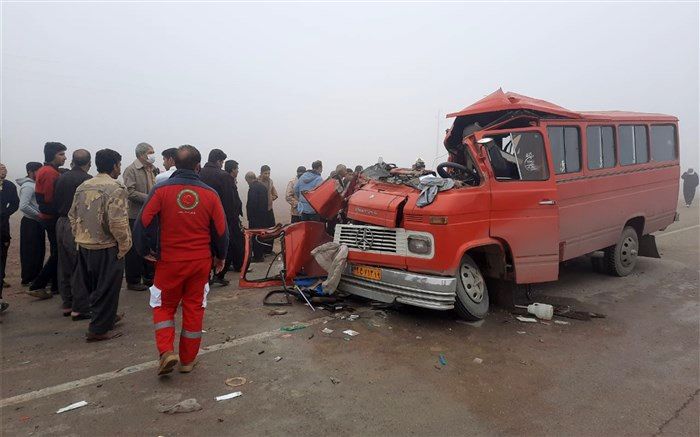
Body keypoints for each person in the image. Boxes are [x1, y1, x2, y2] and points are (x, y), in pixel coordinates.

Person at [133, 145, 228, 376]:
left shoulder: (160, 190)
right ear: (198, 166)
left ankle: (166, 351)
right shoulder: (210, 194)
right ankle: (187, 361)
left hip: (169, 262)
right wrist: (220, 257)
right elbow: (222, 231)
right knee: (194, 308)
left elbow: (142, 223)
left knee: (164, 306)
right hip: (199, 262)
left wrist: (143, 250)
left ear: (174, 163)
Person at [69, 149, 132, 342]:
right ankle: (98, 329)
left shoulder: (84, 186)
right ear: (114, 165)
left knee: (94, 285)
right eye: (119, 165)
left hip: (85, 244)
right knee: (107, 287)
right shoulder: (115, 188)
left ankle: (107, 318)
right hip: (106, 246)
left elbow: (73, 215)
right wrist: (124, 245)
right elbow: (117, 222)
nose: (120, 170)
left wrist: (79, 236)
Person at [54, 150, 92, 319]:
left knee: (64, 265)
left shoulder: (62, 177)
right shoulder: (87, 180)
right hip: (76, 224)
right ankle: (81, 307)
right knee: (79, 266)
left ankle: (67, 304)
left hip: (61, 223)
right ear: (89, 163)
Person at [28, 142, 68, 299]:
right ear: (52, 155)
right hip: (52, 218)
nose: (64, 157)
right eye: (61, 154)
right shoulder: (50, 173)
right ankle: (38, 285)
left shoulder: (47, 171)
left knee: (56, 252)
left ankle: (55, 286)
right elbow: (51, 200)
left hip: (49, 216)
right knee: (58, 253)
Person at [198, 149, 236, 286]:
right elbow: (229, 202)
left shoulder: (199, 173)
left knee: (205, 248)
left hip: (201, 219)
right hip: (219, 218)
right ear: (219, 161)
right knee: (222, 247)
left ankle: (205, 277)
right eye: (222, 162)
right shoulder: (224, 176)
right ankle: (219, 275)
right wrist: (231, 221)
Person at [122, 142, 156, 291]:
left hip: (149, 214)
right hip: (135, 215)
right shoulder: (131, 170)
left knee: (148, 246)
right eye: (151, 152)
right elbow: (130, 192)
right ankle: (133, 280)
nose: (153, 155)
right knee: (135, 249)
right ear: (142, 154)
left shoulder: (151, 169)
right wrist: (150, 197)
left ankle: (148, 277)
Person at [17, 162, 45, 286]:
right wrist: (38, 214)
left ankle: (36, 276)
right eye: (38, 171)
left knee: (38, 250)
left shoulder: (34, 184)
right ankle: (28, 278)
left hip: (36, 222)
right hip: (30, 222)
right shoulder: (28, 186)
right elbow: (23, 206)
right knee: (30, 251)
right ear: (30, 172)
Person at [0, 163, 19, 312]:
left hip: (2, 229)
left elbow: (15, 203)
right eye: (0, 168)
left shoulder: (9, 186)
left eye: (5, 167)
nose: (4, 170)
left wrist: (4, 213)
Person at [225, 160, 245, 272]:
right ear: (232, 169)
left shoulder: (231, 180)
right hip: (231, 217)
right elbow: (231, 200)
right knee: (236, 241)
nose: (238, 171)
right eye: (237, 169)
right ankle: (238, 264)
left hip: (232, 216)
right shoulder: (227, 180)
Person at [245, 171, 269, 262]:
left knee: (255, 237)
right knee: (261, 236)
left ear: (249, 179)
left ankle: (258, 256)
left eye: (247, 181)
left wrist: (250, 216)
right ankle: (261, 254)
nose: (247, 183)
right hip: (263, 216)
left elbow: (252, 204)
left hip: (255, 217)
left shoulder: (253, 188)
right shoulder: (262, 186)